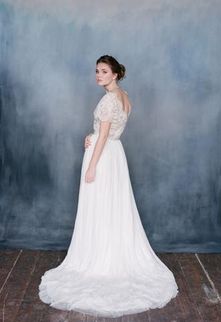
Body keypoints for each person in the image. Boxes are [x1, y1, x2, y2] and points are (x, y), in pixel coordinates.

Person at [38, 55, 179, 318]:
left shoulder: (107, 100)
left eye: (103, 71)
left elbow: (103, 135)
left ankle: (101, 257)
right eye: (96, 71)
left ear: (115, 74)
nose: (98, 75)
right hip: (116, 155)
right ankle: (112, 250)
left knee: (101, 207)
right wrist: (90, 136)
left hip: (103, 158)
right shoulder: (125, 97)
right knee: (113, 206)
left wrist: (92, 165)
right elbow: (109, 132)